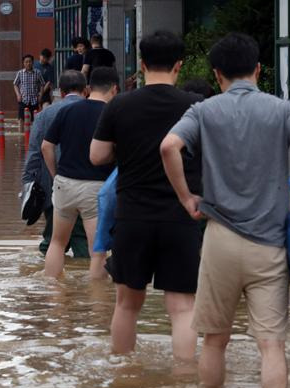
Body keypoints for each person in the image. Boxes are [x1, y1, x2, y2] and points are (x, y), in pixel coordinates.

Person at [160, 33, 290, 388]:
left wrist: (186, 197)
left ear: (217, 74)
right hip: (270, 245)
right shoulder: (281, 109)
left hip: (219, 239)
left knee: (215, 341)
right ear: (257, 69)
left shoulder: (202, 111)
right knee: (271, 346)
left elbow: (169, 146)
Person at [90, 31, 203, 360]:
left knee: (126, 304)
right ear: (179, 66)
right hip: (182, 217)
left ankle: (123, 376)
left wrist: (125, 151)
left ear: (141, 65)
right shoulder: (195, 107)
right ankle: (184, 377)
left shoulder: (120, 104)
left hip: (132, 216)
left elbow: (96, 156)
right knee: (182, 308)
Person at [42, 67, 119, 280]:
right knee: (98, 251)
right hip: (96, 188)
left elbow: (46, 146)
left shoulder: (67, 110)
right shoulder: (112, 114)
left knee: (57, 243)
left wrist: (56, 174)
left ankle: (53, 297)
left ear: (88, 88)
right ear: (114, 89)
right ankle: (95, 306)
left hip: (65, 184)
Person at [22, 70, 90, 259]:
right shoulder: (95, 111)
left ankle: (48, 282)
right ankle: (87, 287)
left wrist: (28, 185)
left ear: (60, 91)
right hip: (88, 187)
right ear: (86, 90)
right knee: (84, 245)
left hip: (53, 187)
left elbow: (35, 153)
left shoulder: (45, 115)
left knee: (53, 244)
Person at [14, 54, 46, 131]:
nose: (28, 63)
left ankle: (32, 136)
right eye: (26, 62)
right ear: (23, 63)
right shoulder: (20, 73)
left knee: (33, 120)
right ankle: (20, 135)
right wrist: (18, 95)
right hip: (23, 99)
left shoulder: (37, 73)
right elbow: (15, 84)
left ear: (32, 62)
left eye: (30, 62)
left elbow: (42, 84)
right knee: (21, 119)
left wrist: (40, 95)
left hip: (34, 100)